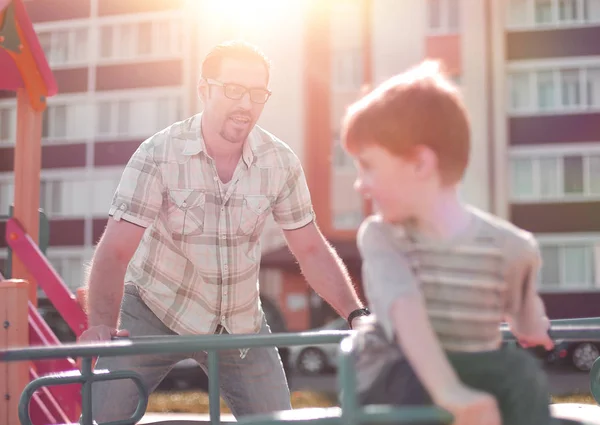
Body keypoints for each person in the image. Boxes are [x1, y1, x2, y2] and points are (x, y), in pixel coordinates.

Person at [79, 40, 370, 423]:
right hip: (156, 305)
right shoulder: (159, 154)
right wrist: (101, 324)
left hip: (237, 317)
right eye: (233, 89)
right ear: (205, 89)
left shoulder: (279, 162)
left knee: (276, 419)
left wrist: (356, 314)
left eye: (257, 93)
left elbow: (311, 250)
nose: (246, 104)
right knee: (101, 416)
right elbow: (115, 251)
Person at [340, 60, 555, 425]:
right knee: (413, 383)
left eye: (368, 166)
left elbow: (526, 316)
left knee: (521, 375)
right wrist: (452, 395)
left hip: (469, 362)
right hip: (397, 366)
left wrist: (534, 327)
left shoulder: (512, 247)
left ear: (421, 164)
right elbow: (408, 316)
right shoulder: (384, 237)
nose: (360, 184)